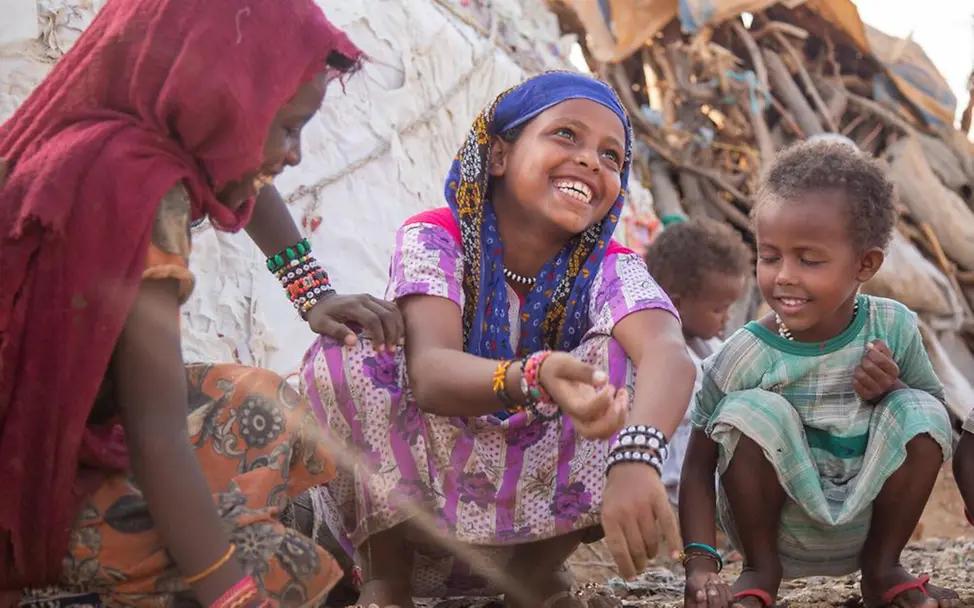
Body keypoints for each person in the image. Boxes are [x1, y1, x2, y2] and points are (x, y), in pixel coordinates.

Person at [0, 0, 403, 605]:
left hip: (63, 419)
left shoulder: (105, 133)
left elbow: (249, 175)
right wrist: (230, 593)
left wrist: (311, 291)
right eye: (289, 128)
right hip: (30, 479)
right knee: (278, 564)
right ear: (225, 103)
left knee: (266, 400)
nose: (296, 154)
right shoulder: (140, 196)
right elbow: (155, 435)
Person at [301, 71, 696, 608]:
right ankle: (385, 581)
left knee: (622, 357)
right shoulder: (436, 237)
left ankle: (530, 581)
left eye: (611, 156)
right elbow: (431, 373)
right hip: (416, 509)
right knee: (353, 349)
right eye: (566, 135)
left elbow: (670, 354)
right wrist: (536, 375)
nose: (590, 161)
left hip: (526, 532)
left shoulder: (610, 268)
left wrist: (637, 455)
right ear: (499, 156)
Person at [678, 140, 959, 608]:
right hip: (776, 531)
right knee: (748, 409)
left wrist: (892, 390)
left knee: (919, 406)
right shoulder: (745, 354)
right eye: (770, 257)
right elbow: (697, 465)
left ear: (865, 264)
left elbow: (936, 428)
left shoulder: (892, 328)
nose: (784, 276)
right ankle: (759, 573)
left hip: (867, 523)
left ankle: (883, 570)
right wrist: (700, 564)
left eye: (808, 259)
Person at [643, 218, 750, 506]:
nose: (727, 318)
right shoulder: (652, 358)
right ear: (676, 304)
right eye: (719, 309)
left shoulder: (708, 345)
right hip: (672, 488)